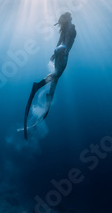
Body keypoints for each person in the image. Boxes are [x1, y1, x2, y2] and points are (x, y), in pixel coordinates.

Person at [23, 12, 76, 140]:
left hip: (60, 54)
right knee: (57, 75)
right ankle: (38, 87)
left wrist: (56, 53)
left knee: (56, 77)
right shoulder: (70, 29)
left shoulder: (65, 29)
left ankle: (48, 99)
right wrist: (62, 52)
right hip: (63, 55)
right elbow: (67, 44)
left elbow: (60, 43)